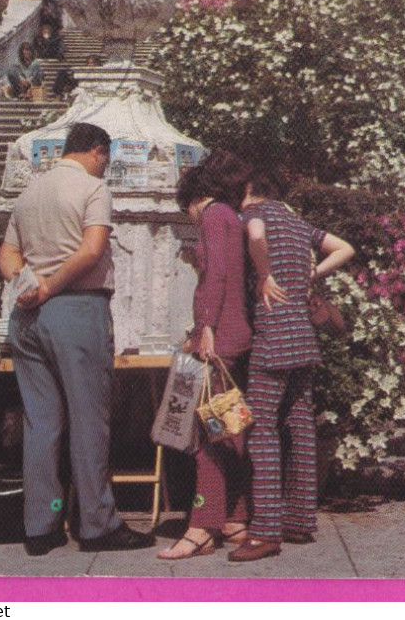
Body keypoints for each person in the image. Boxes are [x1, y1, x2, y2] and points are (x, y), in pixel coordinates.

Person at [0, 122, 154, 556]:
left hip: (27, 319)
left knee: (42, 422)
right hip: (77, 308)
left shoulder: (30, 192)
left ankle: (41, 525)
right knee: (89, 420)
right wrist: (51, 287)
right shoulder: (92, 188)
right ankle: (97, 524)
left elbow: (7, 253)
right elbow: (90, 251)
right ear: (98, 151)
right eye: (107, 159)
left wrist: (27, 283)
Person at [228, 167, 355, 563]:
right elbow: (345, 247)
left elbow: (255, 237)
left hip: (274, 335)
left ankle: (265, 531)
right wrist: (308, 274)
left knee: (261, 426)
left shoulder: (253, 214)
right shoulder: (299, 223)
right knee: (299, 422)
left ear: (248, 191)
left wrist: (264, 275)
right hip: (302, 334)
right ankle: (299, 520)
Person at [157, 157, 253, 560]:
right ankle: (235, 516)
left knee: (209, 435)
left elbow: (215, 276)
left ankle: (202, 526)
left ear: (194, 198)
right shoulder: (232, 215)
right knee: (230, 427)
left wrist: (204, 328)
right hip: (236, 333)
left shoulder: (213, 215)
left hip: (218, 337)